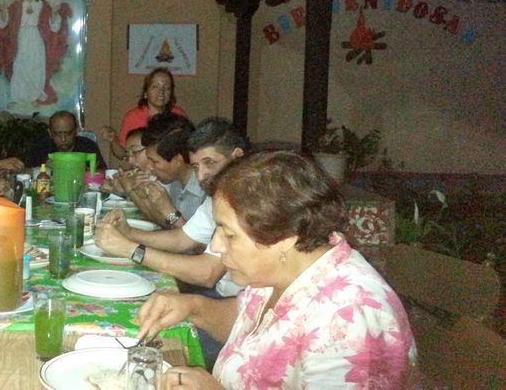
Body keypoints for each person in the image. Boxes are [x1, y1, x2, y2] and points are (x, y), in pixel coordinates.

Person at [135, 151, 416, 388]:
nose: (216, 246)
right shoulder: (289, 267)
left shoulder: (347, 318)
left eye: (228, 234)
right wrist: (192, 307)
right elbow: (251, 323)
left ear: (285, 236)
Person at [95, 117, 248, 367]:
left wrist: (131, 249)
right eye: (197, 166)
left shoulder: (248, 199)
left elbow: (207, 273)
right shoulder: (219, 193)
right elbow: (183, 238)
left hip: (239, 312)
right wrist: (129, 233)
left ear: (238, 156)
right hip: (220, 297)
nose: (202, 175)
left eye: (210, 163)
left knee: (146, 345)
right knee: (130, 317)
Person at [0, 0, 72, 106]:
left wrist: (53, 13)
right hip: (21, 38)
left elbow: (53, 26)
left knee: (36, 66)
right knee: (20, 67)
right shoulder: (17, 5)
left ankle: (35, 97)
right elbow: (4, 23)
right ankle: (17, 98)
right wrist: (3, 11)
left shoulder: (41, 4)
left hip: (36, 37)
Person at [125, 113, 203, 228]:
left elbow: (195, 239)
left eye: (155, 161)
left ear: (178, 159)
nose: (150, 167)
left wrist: (170, 211)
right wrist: (141, 197)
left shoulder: (205, 189)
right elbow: (165, 224)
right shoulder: (174, 181)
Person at [101, 67, 186, 161]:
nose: (161, 92)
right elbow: (123, 154)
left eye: (167, 88)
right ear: (145, 93)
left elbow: (186, 150)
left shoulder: (179, 115)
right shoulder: (133, 117)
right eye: (155, 87)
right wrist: (113, 140)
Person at [23, 110, 107, 170]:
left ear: (76, 131)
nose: (63, 139)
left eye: (68, 133)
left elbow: (103, 173)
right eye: (57, 134)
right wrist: (44, 168)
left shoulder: (88, 146)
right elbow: (25, 172)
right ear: (50, 133)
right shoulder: (41, 147)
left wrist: (84, 171)